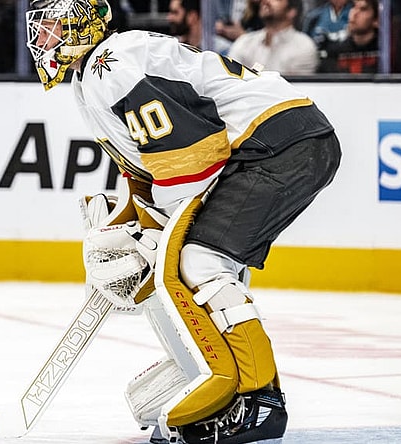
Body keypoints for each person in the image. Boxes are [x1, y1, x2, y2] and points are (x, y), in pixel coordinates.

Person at [25, 1, 341, 444]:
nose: (41, 40)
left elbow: (195, 156)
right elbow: (146, 171)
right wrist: (129, 227)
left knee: (201, 263)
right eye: (38, 30)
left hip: (278, 142)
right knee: (199, 262)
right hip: (273, 143)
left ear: (82, 23)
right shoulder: (92, 76)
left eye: (51, 27)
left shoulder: (111, 64)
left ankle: (258, 399)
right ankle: (222, 378)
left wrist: (154, 235)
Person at [228, 0, 320, 74]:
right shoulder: (244, 42)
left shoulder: (304, 45)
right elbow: (232, 77)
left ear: (291, 11)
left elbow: (298, 86)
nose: (265, 1)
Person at [318, 0, 378, 73]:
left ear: (376, 20)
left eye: (363, 9)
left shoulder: (385, 51)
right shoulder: (335, 52)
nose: (354, 13)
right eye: (354, 7)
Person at [166, 0, 231, 54]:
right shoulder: (172, 47)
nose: (169, 18)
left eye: (175, 13)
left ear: (192, 17)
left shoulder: (222, 50)